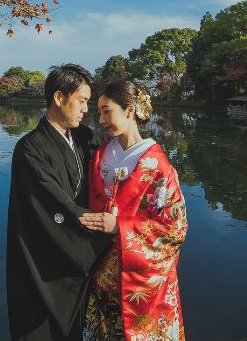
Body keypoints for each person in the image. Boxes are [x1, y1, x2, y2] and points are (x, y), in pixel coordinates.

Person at [6, 64, 113, 341]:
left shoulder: (84, 137)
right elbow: (54, 206)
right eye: (81, 101)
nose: (85, 109)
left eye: (88, 103)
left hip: (77, 255)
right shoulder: (30, 149)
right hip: (46, 255)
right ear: (58, 98)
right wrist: (105, 234)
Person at [79, 79, 188, 341]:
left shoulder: (158, 166)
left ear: (129, 111)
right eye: (99, 111)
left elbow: (175, 228)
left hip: (139, 275)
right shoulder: (101, 153)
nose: (101, 119)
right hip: (101, 268)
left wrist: (119, 226)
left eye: (107, 111)